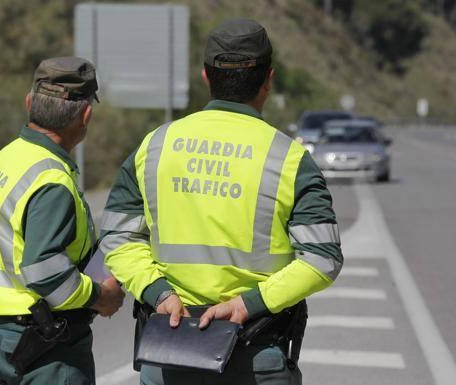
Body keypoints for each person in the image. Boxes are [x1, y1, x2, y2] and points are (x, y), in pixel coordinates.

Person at [100, 19, 343, 385]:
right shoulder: (289, 159)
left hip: (169, 352)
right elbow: (322, 258)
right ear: (268, 79)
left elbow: (118, 238)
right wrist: (249, 305)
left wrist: (157, 292)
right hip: (256, 358)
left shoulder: (154, 147)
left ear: (205, 76)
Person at [0, 56, 125, 385]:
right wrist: (102, 297)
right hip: (49, 346)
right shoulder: (51, 180)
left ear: (29, 103)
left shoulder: (8, 157)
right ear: (86, 115)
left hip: (3, 336)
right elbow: (45, 273)